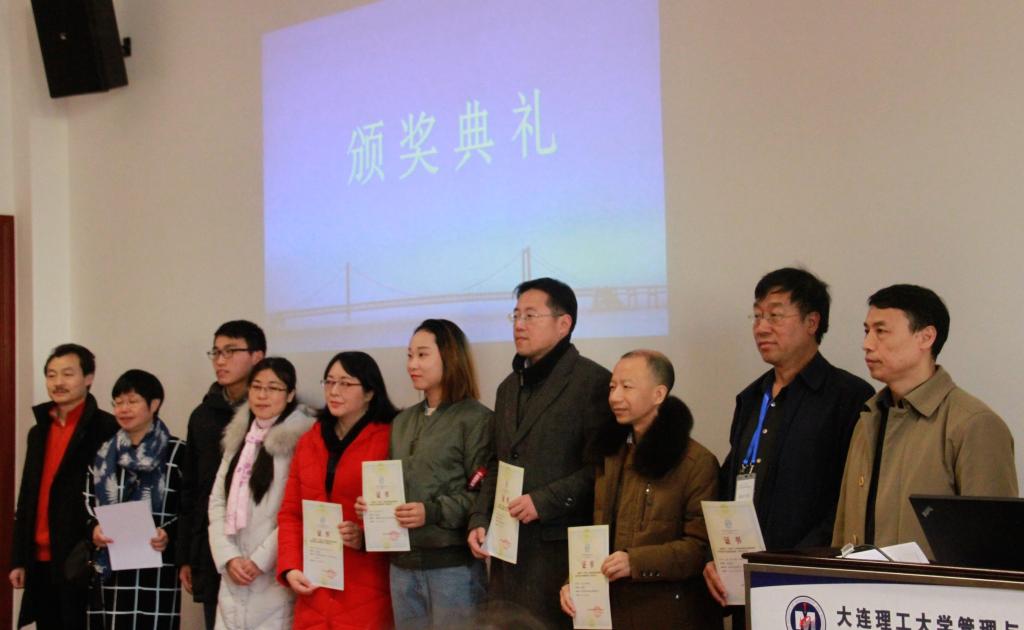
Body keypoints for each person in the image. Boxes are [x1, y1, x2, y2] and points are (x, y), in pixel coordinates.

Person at [703, 268, 873, 628]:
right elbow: (731, 481)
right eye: (757, 316)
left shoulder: (849, 397)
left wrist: (797, 562)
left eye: (775, 316)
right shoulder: (751, 397)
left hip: (810, 585)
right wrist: (715, 554)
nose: (761, 328)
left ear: (812, 322)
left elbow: (850, 498)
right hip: (745, 579)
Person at [468, 277, 615, 628]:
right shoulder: (507, 388)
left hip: (558, 553)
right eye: (516, 315)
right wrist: (480, 518)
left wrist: (545, 501)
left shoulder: (593, 382)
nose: (519, 325)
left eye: (530, 316)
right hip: (506, 554)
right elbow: (496, 462)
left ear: (563, 324)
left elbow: (604, 469)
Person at [833, 284, 1017, 557]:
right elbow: (844, 528)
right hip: (860, 583)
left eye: (881, 331)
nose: (867, 344)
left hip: (931, 586)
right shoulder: (869, 418)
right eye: (867, 331)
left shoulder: (974, 424)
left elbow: (994, 547)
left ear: (926, 337)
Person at [560, 350, 722, 630]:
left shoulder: (696, 462)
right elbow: (595, 531)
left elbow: (699, 549)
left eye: (627, 387)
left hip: (668, 613)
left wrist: (635, 561)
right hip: (611, 610)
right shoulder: (611, 455)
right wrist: (575, 580)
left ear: (658, 394)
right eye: (612, 387)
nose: (614, 397)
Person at [355, 319, 492, 629]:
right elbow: (394, 487)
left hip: (452, 568)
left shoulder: (476, 419)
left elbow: (485, 496)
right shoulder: (402, 422)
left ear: (450, 357)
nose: (412, 364)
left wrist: (431, 511)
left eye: (422, 355)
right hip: (401, 566)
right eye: (409, 355)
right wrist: (372, 506)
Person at [277, 351, 397, 629]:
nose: (334, 391)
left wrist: (365, 536)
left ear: (369, 392)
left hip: (367, 587)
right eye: (329, 382)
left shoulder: (390, 438)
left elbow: (396, 517)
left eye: (345, 383)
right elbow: (291, 513)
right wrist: (290, 567)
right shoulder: (309, 440)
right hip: (314, 585)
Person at [9, 344, 118, 629]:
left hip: (82, 557)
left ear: (89, 377)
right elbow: (27, 496)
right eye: (51, 375)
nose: (58, 382)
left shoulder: (106, 428)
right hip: (40, 559)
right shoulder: (38, 431)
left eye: (68, 374)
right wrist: (18, 558)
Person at [208, 357, 314, 629]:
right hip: (233, 570)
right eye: (256, 386)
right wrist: (228, 556)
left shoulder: (302, 442)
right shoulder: (239, 439)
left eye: (273, 388)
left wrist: (259, 560)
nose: (262, 395)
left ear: (290, 394)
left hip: (273, 573)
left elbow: (298, 510)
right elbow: (217, 501)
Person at [178, 321, 266, 629]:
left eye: (230, 351)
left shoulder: (269, 414)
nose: (220, 360)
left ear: (257, 356)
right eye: (215, 352)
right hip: (211, 548)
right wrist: (187, 555)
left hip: (259, 551)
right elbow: (191, 489)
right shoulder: (202, 416)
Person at [86, 369, 186, 629]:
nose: (123, 409)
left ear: (154, 404)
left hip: (158, 566)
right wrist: (94, 529)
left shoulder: (177, 452)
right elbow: (86, 503)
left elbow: (190, 508)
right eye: (118, 402)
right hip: (111, 566)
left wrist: (169, 533)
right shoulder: (103, 454)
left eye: (132, 401)